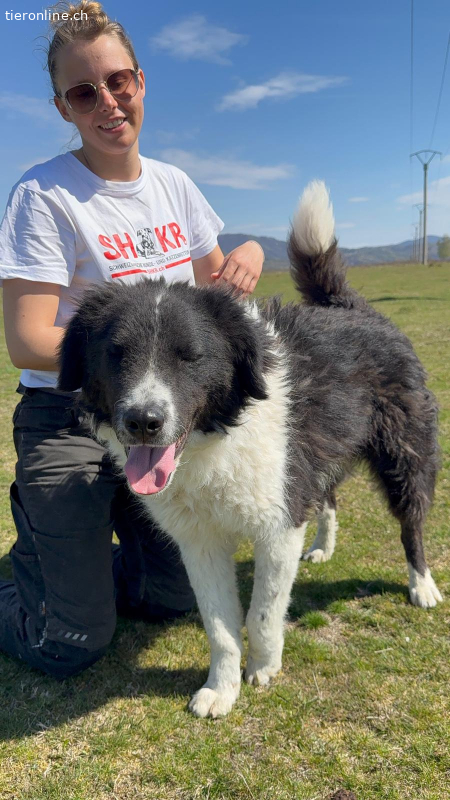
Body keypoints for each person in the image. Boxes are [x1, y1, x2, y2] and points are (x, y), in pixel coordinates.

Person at [0, 0, 264, 679]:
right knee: (71, 641)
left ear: (140, 82)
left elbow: (213, 301)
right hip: (70, 413)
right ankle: (42, 572)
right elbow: (28, 340)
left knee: (173, 597)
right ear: (63, 107)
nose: (108, 102)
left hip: (159, 416)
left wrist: (251, 255)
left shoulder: (175, 185)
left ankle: (81, 561)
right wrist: (129, 365)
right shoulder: (43, 195)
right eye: (84, 92)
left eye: (119, 82)